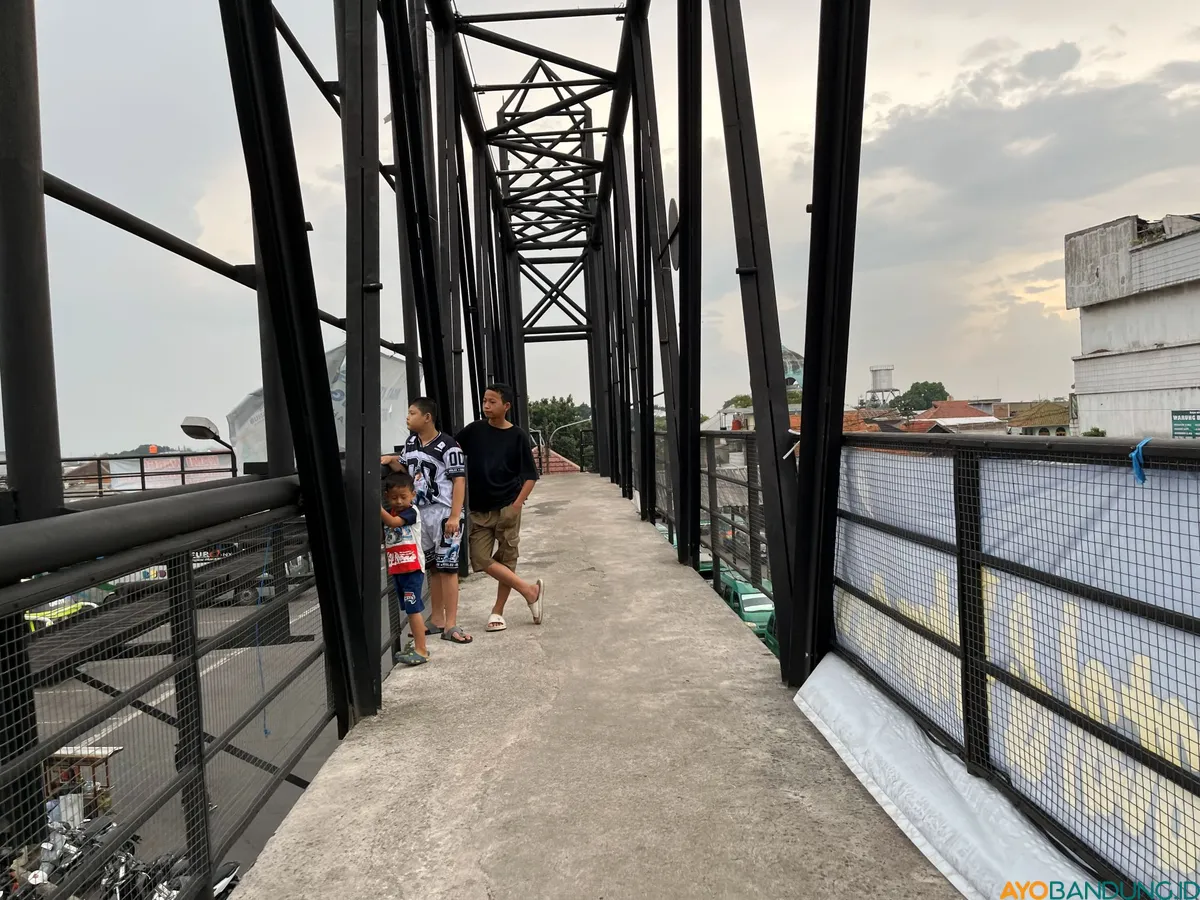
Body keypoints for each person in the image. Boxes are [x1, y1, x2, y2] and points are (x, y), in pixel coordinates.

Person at [381, 397, 472, 644]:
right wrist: (392, 461)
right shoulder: (411, 443)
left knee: (448, 567)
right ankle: (438, 618)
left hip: (444, 513)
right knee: (432, 566)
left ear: (427, 417)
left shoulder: (449, 446)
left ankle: (451, 623)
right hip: (421, 514)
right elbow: (408, 471)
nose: (407, 417)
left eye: (412, 413)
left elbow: (459, 481)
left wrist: (455, 515)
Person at [455, 383, 545, 633]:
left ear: (506, 406)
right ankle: (529, 590)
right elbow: (448, 449)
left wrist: (516, 506)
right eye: (485, 400)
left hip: (507, 505)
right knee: (480, 559)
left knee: (507, 557)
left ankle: (498, 611)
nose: (486, 405)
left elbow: (530, 476)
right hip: (479, 509)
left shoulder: (517, 436)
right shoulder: (473, 431)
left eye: (492, 401)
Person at [380, 471, 429, 666]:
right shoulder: (390, 513)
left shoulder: (412, 512)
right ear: (387, 497)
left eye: (403, 497)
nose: (399, 501)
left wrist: (375, 505)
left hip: (412, 569)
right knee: (409, 609)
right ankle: (418, 643)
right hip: (398, 568)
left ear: (413, 495)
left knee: (413, 609)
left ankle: (421, 649)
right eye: (394, 498)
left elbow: (393, 523)